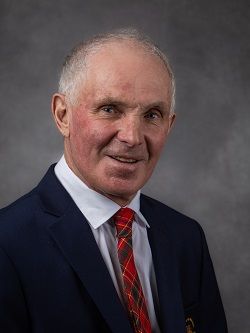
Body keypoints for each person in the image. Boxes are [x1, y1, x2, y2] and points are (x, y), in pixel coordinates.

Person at [0, 29, 227, 333]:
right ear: (62, 115)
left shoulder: (186, 238)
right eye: (110, 109)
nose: (132, 137)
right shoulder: (7, 244)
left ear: (169, 126)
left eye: (152, 114)